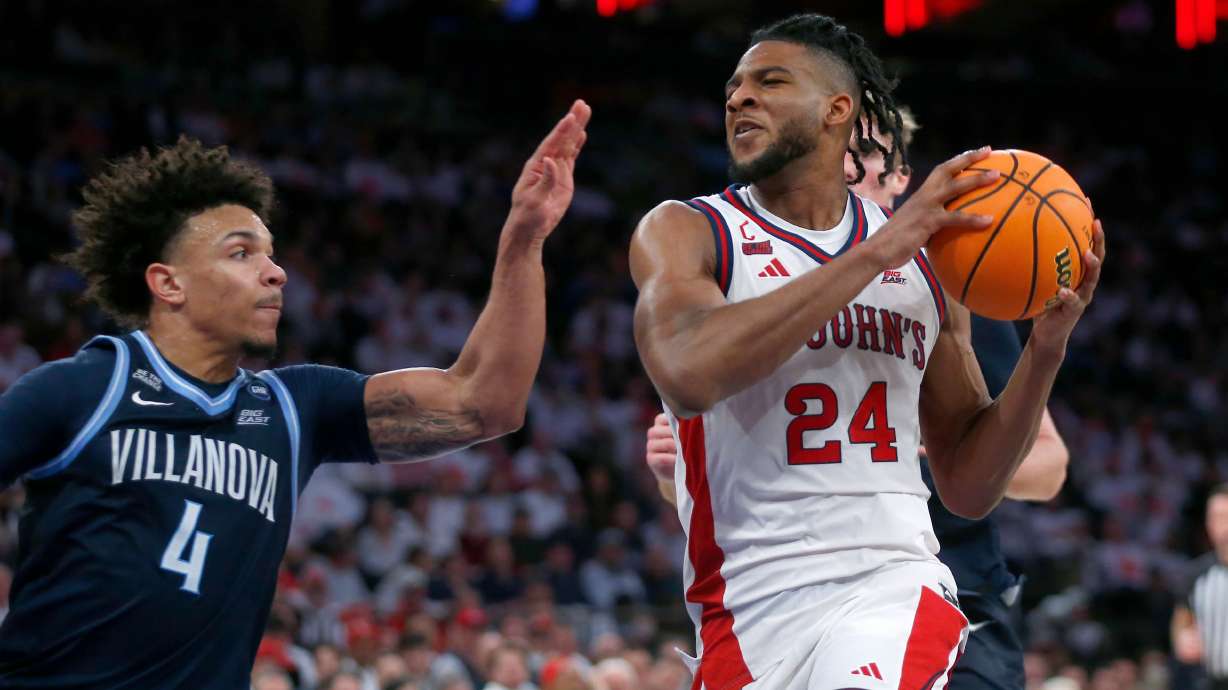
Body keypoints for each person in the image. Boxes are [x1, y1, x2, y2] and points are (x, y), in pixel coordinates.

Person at [0, 100, 590, 688]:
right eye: (241, 253)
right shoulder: (82, 389)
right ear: (168, 283)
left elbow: (486, 404)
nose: (276, 271)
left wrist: (524, 239)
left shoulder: (292, 407)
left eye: (271, 253)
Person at [629, 13, 1104, 689]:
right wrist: (879, 249)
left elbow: (968, 486)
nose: (739, 97)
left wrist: (1047, 348)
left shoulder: (931, 266)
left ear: (836, 110)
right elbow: (687, 375)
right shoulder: (688, 230)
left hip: (889, 585)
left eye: (769, 81)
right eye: (734, 85)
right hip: (741, 608)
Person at [1172, 484, 1228, 689]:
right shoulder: (1196, 575)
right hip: (1212, 681)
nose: (1224, 526)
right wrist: (1182, 639)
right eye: (1217, 518)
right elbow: (1182, 622)